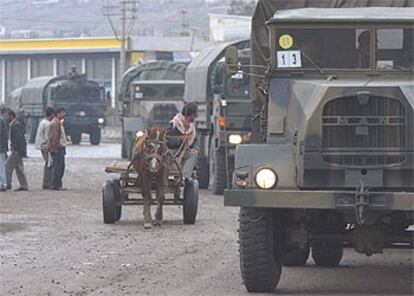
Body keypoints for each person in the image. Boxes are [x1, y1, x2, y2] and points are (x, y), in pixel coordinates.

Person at [166, 103, 198, 180]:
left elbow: (193, 141)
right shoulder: (174, 124)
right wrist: (180, 140)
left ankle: (184, 177)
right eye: (194, 114)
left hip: (184, 151)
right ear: (190, 114)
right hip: (173, 151)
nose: (195, 117)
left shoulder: (191, 127)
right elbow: (167, 139)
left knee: (193, 154)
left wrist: (194, 148)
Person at [4, 109, 28, 191]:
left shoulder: (15, 125)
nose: (5, 118)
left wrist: (17, 150)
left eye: (6, 116)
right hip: (18, 150)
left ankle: (7, 184)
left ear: (11, 116)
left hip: (16, 150)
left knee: (7, 166)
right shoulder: (14, 124)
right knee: (19, 168)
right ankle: (24, 185)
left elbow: (19, 139)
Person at [35, 107, 54, 189]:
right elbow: (48, 137)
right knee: (49, 164)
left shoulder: (42, 122)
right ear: (52, 114)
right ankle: (46, 183)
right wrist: (50, 146)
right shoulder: (48, 124)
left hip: (41, 145)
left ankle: (46, 182)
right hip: (45, 146)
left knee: (48, 163)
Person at [48, 108, 66, 191]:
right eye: (62, 113)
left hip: (58, 148)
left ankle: (57, 184)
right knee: (58, 167)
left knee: (60, 167)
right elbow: (53, 138)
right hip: (57, 149)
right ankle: (56, 185)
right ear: (58, 114)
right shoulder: (55, 124)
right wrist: (58, 147)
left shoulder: (58, 123)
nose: (64, 114)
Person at [0, 108, 9, 191]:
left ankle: (3, 184)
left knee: (1, 167)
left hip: (1, 148)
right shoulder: (2, 120)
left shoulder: (0, 120)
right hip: (2, 148)